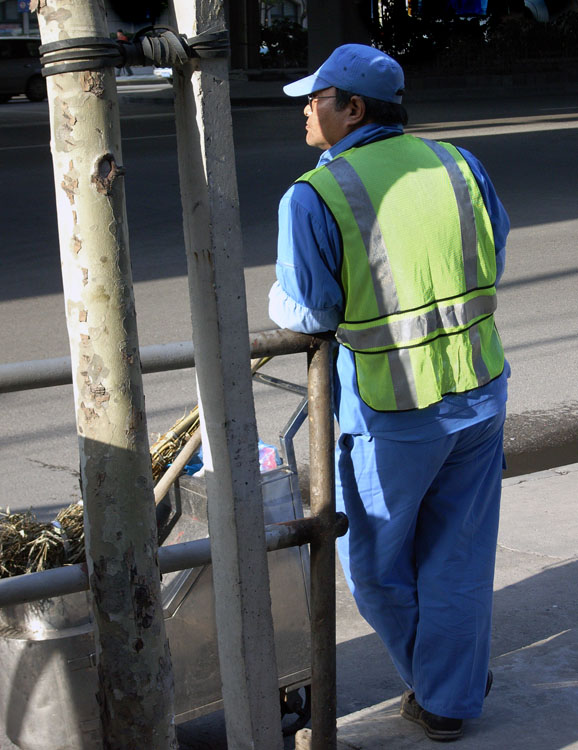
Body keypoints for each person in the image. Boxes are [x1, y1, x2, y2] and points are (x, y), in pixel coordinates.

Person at [268, 44, 510, 742]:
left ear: (354, 109)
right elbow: (494, 250)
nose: (305, 111)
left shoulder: (316, 194)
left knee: (374, 568)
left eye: (317, 99)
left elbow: (311, 312)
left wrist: (277, 299)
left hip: (393, 414)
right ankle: (451, 685)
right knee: (458, 558)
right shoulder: (459, 165)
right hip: (480, 392)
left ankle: (447, 691)